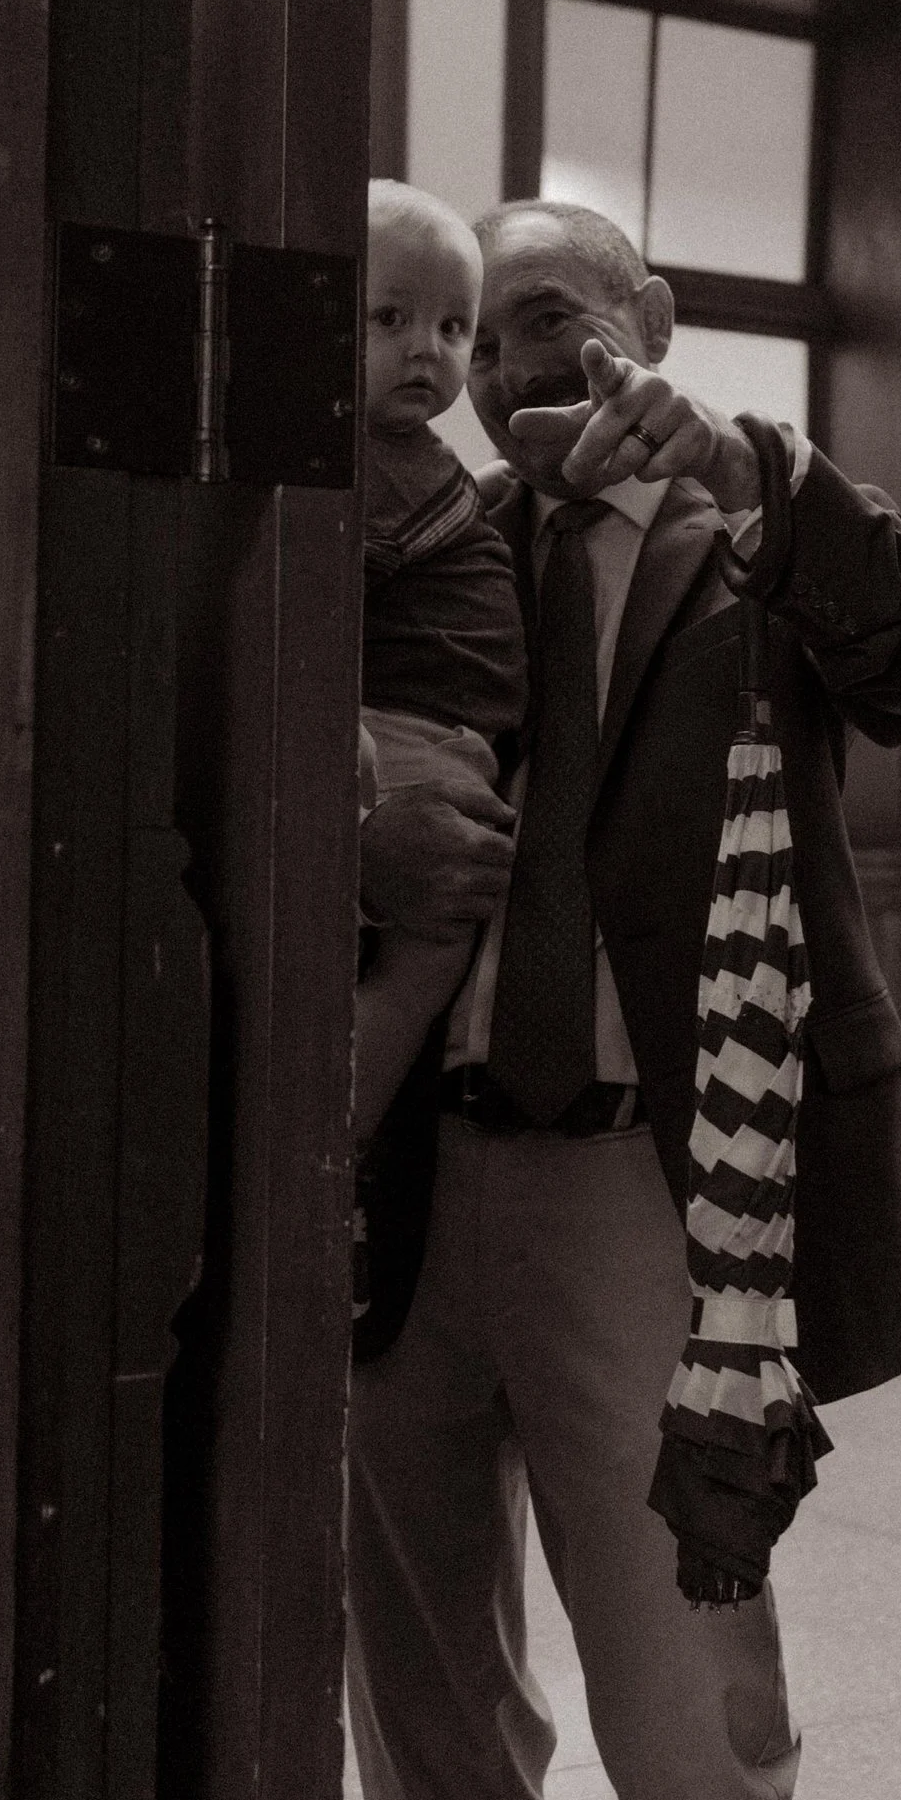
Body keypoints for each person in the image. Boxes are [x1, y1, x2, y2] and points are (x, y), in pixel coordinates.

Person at [346, 197, 901, 1800]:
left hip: (649, 1203)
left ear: (651, 328)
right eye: (488, 326)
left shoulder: (746, 539)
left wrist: (759, 463)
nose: (517, 358)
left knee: (699, 1748)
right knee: (436, 1736)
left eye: (555, 318)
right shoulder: (418, 541)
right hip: (407, 1186)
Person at [354, 182, 527, 1152]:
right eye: (389, 318)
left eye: (453, 328)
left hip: (434, 738)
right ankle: (327, 1140)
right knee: (427, 955)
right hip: (409, 738)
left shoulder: (415, 460)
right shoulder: (379, 462)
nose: (426, 349)